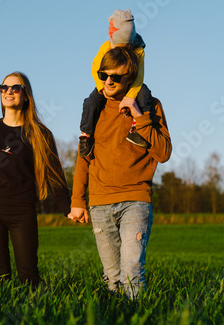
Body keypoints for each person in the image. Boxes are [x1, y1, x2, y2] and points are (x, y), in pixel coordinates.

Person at [69, 47, 172, 299]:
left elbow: (164, 152)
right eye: (104, 75)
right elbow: (85, 157)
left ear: (131, 77)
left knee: (132, 271)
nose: (108, 81)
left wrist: (140, 116)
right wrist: (77, 201)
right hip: (100, 203)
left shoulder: (149, 106)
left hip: (136, 200)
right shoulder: (95, 110)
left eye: (116, 77)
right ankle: (116, 315)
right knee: (112, 276)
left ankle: (137, 314)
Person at [0, 72, 71, 287]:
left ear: (26, 96)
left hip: (22, 211)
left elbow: (54, 174)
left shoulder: (40, 133)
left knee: (29, 275)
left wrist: (69, 208)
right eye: (4, 87)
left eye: (15, 88)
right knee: (0, 277)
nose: (8, 92)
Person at [80, 9, 151, 158]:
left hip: (130, 83)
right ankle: (86, 134)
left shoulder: (138, 51)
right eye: (116, 48)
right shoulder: (106, 47)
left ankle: (138, 129)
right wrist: (102, 88)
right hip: (105, 85)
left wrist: (130, 97)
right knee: (91, 103)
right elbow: (95, 68)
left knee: (144, 94)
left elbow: (139, 77)